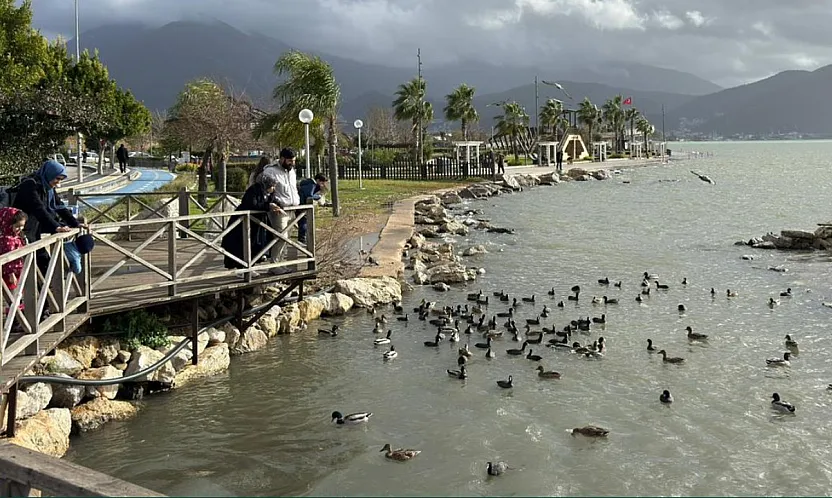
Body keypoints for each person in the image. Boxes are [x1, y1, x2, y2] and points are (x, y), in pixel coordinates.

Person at [12, 160, 80, 277]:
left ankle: (44, 292)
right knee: (30, 264)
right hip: (20, 229)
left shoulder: (47, 186)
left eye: (61, 180)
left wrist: (76, 223)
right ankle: (38, 293)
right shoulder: (30, 185)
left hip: (35, 228)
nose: (58, 183)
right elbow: (39, 209)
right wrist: (57, 226)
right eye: (57, 179)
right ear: (50, 174)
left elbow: (60, 207)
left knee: (43, 262)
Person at [221, 175, 281, 276]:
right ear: (267, 185)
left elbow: (274, 201)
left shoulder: (269, 193)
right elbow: (252, 204)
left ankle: (249, 267)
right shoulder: (253, 190)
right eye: (273, 186)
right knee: (241, 245)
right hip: (242, 222)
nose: (274, 188)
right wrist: (268, 206)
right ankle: (242, 270)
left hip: (256, 223)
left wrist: (278, 206)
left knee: (254, 245)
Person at [261, 148, 300, 274]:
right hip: (279, 210)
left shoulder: (292, 171)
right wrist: (272, 204)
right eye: (290, 161)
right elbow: (264, 191)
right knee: (280, 236)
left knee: (287, 237)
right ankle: (274, 265)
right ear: (282, 159)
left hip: (292, 209)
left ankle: (282, 263)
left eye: (293, 161)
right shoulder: (270, 171)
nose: (292, 163)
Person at [0, 208, 28, 302]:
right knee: (13, 297)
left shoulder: (16, 236)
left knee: (18, 295)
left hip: (18, 270)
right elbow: (7, 258)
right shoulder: (6, 239)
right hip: (10, 274)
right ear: (7, 224)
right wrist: (11, 274)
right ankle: (14, 315)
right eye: (17, 226)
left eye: (22, 226)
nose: (20, 229)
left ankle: (17, 313)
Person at [297, 173, 328, 244]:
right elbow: (309, 196)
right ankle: (302, 239)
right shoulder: (311, 185)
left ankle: (303, 238)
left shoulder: (309, 184)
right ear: (317, 180)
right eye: (322, 182)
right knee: (304, 222)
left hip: (302, 204)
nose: (323, 184)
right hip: (303, 205)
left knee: (304, 222)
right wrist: (318, 197)